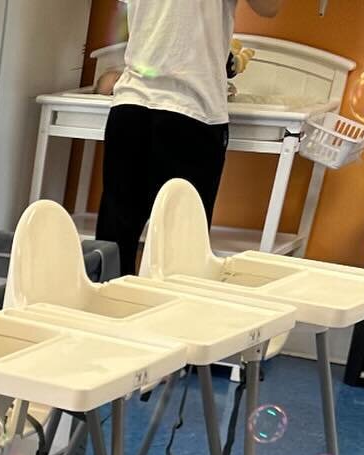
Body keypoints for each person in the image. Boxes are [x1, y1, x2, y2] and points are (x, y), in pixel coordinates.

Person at [95, 0, 284, 276]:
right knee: (180, 252)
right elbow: (269, 7)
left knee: (115, 241)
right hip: (191, 109)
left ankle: (104, 313)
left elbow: (132, 23)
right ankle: (163, 316)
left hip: (131, 105)